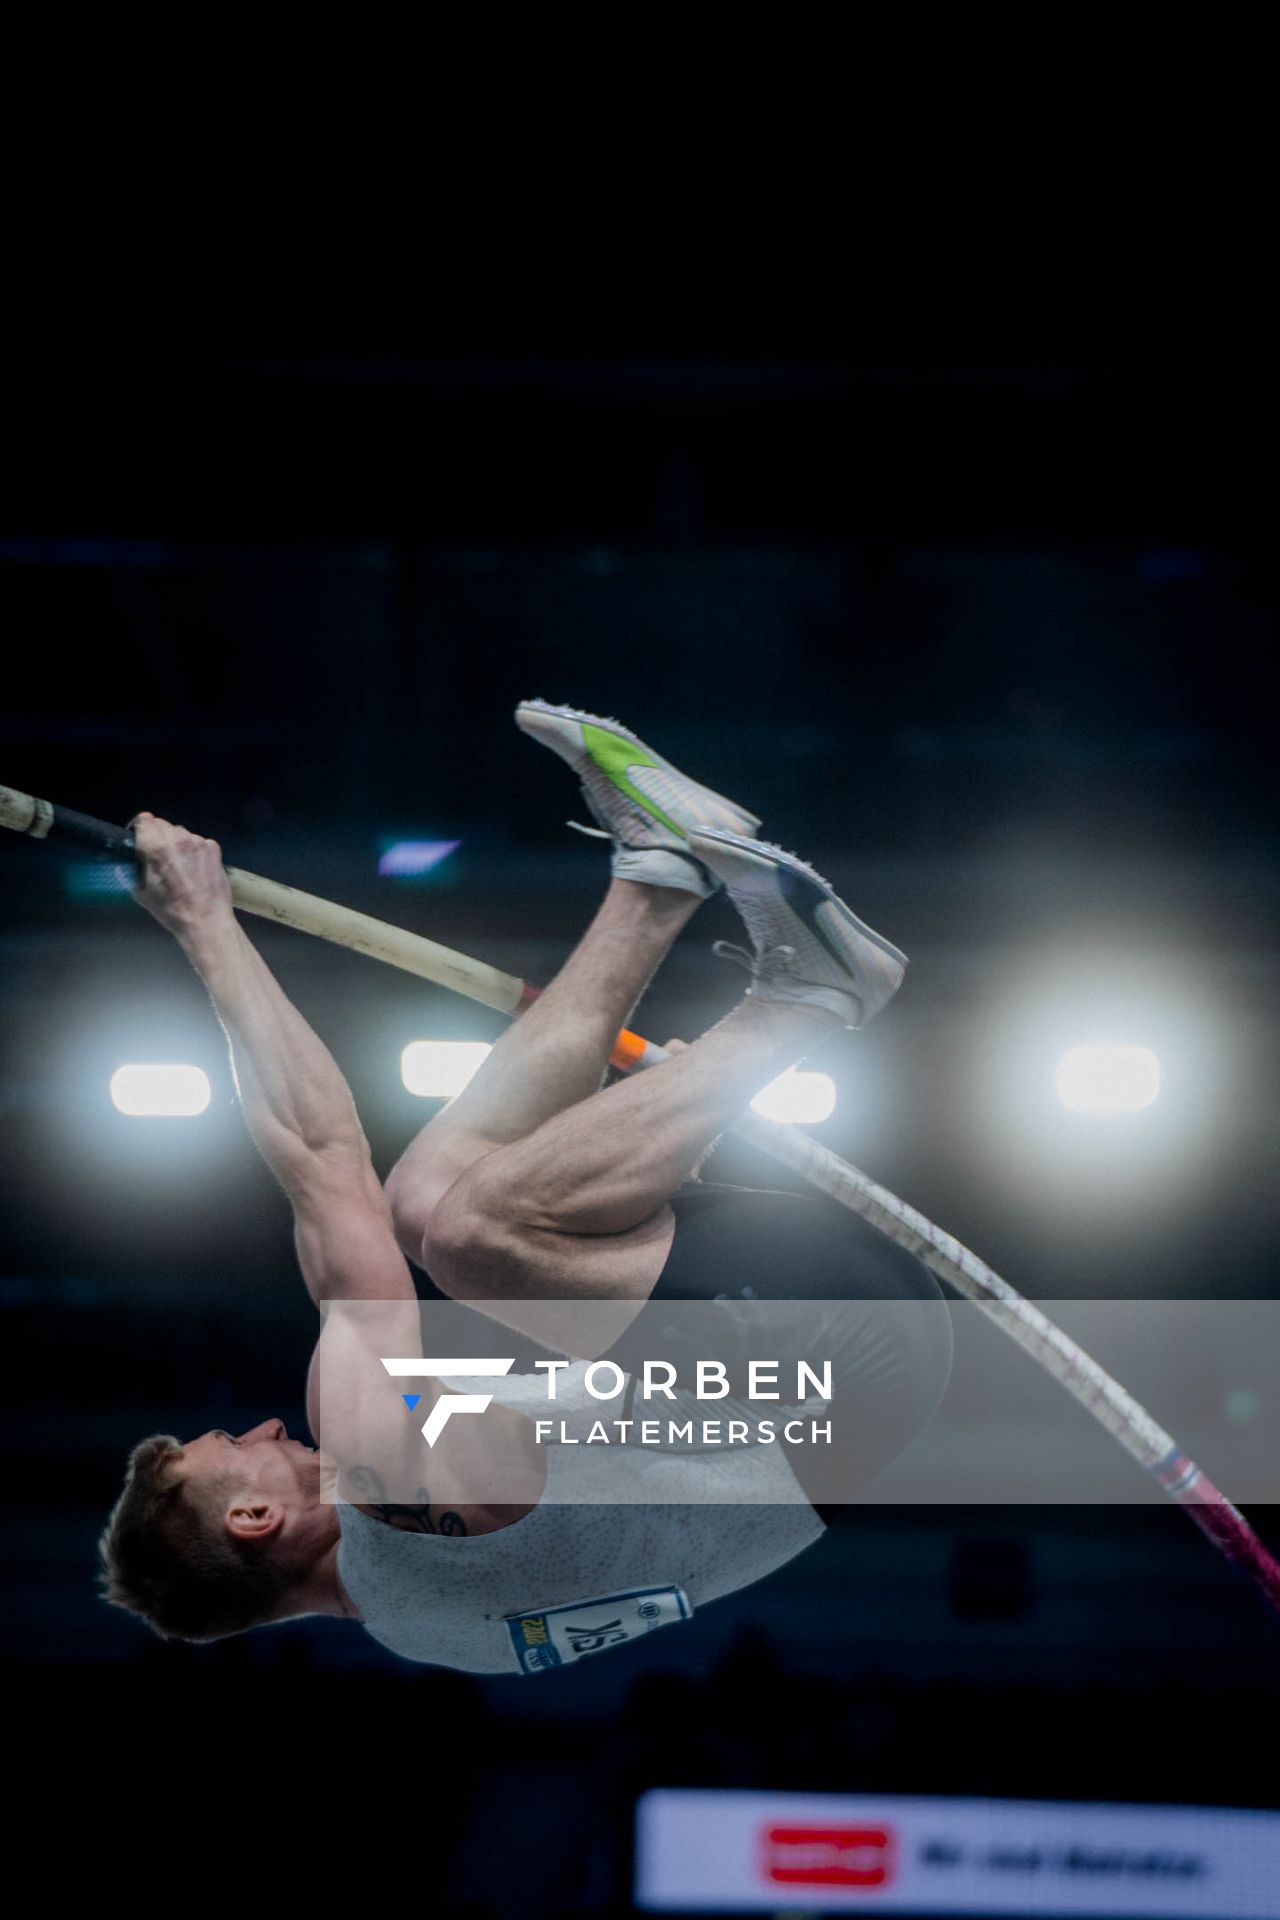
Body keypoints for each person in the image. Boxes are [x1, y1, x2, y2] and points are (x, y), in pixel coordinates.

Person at [98, 703, 952, 1671]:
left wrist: (663, 1145)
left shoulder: (431, 1633)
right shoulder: (376, 1463)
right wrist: (203, 925)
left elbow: (635, 1466)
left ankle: (656, 878)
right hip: (836, 1348)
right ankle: (805, 1001)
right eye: (230, 1444)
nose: (259, 1426)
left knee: (428, 1202)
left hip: (811, 1374)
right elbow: (321, 1159)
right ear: (254, 1517)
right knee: (468, 1230)